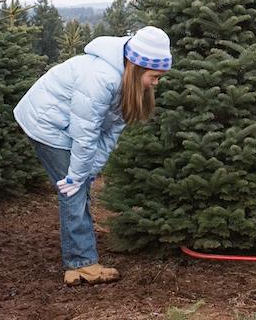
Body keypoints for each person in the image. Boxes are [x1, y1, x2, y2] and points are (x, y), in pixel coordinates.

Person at [14, 26, 171, 286]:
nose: (156, 82)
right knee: (71, 189)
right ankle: (81, 263)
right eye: (155, 76)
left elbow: (109, 134)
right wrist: (77, 176)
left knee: (79, 183)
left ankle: (79, 249)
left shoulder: (128, 84)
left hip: (68, 126)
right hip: (46, 122)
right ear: (138, 67)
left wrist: (89, 171)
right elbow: (85, 133)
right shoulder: (101, 77)